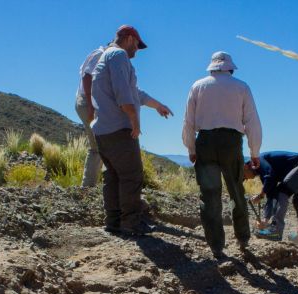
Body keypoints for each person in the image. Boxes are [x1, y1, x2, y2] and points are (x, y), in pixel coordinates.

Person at [91, 25, 172, 236]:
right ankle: (131, 223)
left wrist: (158, 106)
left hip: (103, 130)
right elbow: (123, 93)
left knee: (113, 177)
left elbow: (135, 92)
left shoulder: (107, 56)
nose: (137, 50)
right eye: (137, 44)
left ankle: (114, 222)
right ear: (128, 38)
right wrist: (135, 122)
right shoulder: (118, 55)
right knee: (132, 176)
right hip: (119, 129)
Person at [182, 51, 262, 259]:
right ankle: (243, 238)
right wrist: (255, 152)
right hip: (231, 143)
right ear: (231, 68)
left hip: (205, 142)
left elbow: (188, 122)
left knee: (209, 196)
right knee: (236, 190)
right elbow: (252, 121)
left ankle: (216, 245)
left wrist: (191, 149)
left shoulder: (197, 86)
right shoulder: (241, 87)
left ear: (212, 67)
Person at [244, 151, 298, 243]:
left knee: (281, 191)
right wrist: (265, 220)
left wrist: (260, 196)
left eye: (244, 176)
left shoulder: (258, 160)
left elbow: (270, 176)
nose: (247, 179)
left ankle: (276, 231)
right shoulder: (262, 171)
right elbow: (270, 194)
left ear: (245, 166)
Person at [75, 44, 105, 188]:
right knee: (98, 146)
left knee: (100, 144)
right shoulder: (100, 55)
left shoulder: (99, 54)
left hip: (86, 102)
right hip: (87, 102)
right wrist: (91, 105)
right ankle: (87, 188)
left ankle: (91, 186)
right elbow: (87, 77)